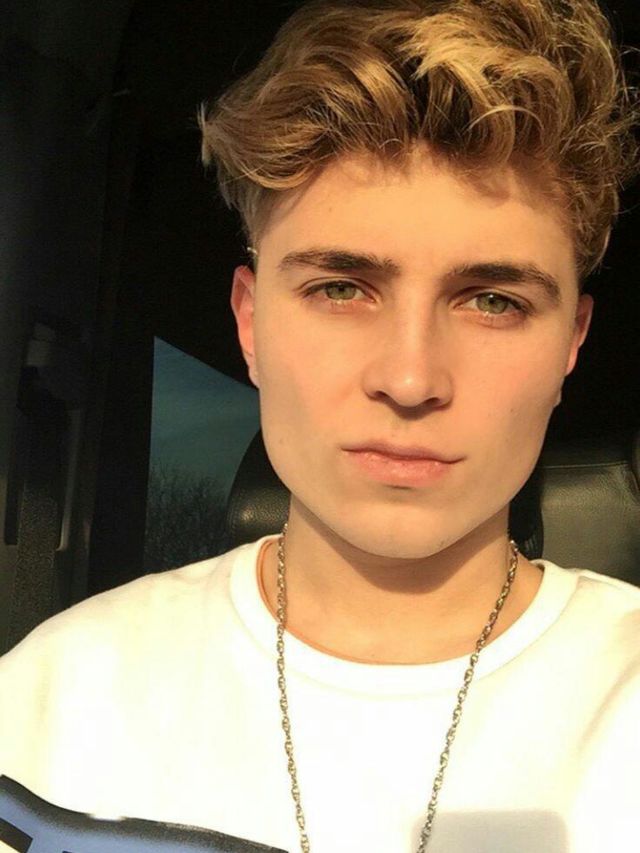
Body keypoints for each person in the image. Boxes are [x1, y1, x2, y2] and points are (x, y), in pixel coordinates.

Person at [1, 1, 639, 851]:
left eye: (493, 300)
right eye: (340, 288)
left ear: (571, 344)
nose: (409, 379)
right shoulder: (51, 704)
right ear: (250, 324)